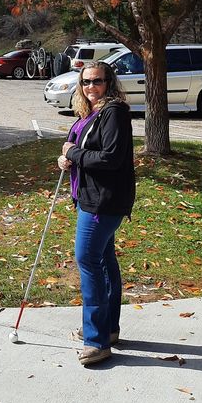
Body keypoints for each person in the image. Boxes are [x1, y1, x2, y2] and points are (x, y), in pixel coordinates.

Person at [58, 60, 135, 366]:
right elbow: (74, 147)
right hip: (90, 196)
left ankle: (97, 342)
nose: (91, 87)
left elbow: (111, 159)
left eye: (98, 81)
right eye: (86, 82)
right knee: (103, 260)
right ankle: (109, 329)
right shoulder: (90, 112)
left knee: (87, 259)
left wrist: (72, 154)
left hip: (104, 201)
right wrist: (66, 158)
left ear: (110, 82)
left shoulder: (113, 112)